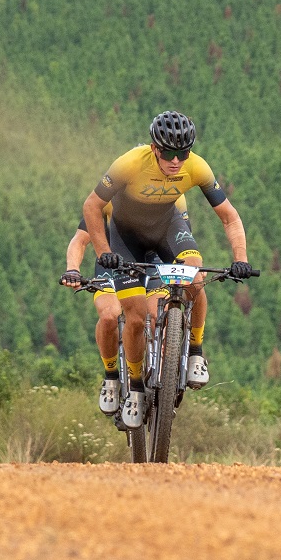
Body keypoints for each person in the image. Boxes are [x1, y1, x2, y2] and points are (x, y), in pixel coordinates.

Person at [81, 110, 253, 428]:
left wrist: (240, 258)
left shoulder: (197, 167)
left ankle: (195, 350)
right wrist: (104, 253)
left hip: (166, 227)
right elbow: (92, 206)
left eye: (183, 153)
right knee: (134, 318)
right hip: (126, 238)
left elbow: (229, 216)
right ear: (154, 148)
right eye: (169, 153)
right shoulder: (129, 164)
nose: (176, 161)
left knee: (196, 276)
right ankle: (134, 387)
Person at [60, 198, 187, 415]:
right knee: (109, 316)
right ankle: (111, 377)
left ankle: (164, 380)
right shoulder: (108, 197)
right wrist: (72, 269)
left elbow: (182, 239)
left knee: (158, 314)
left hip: (153, 264)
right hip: (113, 266)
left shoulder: (164, 195)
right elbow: (80, 240)